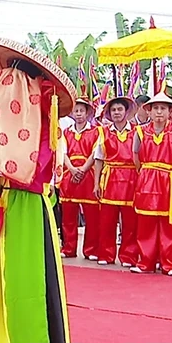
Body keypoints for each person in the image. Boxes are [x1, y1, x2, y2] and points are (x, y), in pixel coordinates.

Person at [0, 38, 72, 343]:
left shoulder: (46, 124)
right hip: (1, 207)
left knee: (27, 288)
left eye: (16, 78)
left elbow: (35, 171)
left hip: (28, 209)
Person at [131, 93, 172, 276]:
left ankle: (170, 265)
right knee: (146, 223)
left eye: (163, 108)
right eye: (156, 108)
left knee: (170, 225)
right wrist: (146, 172)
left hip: (170, 181)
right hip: (147, 180)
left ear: (170, 111)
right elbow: (135, 156)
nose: (159, 112)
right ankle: (145, 263)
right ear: (149, 111)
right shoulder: (140, 131)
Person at [93, 96, 138, 267]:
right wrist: (96, 183)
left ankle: (128, 255)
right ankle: (106, 254)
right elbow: (98, 158)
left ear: (126, 112)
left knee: (130, 221)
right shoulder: (103, 132)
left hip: (131, 178)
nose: (117, 113)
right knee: (106, 220)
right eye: (113, 110)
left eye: (120, 109)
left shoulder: (137, 132)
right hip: (110, 177)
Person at [59, 98, 100, 259]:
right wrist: (71, 168)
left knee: (91, 216)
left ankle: (90, 250)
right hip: (69, 174)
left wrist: (82, 169)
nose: (79, 114)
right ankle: (69, 248)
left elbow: (95, 154)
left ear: (87, 112)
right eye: (76, 111)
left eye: (81, 111)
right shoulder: (66, 132)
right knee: (68, 216)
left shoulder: (95, 132)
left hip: (88, 175)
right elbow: (63, 153)